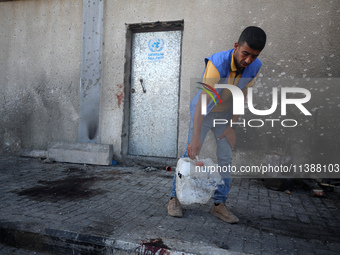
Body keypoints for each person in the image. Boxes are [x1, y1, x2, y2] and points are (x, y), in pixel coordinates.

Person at [168, 26, 267, 223]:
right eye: (245, 53)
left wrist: (231, 125)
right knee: (190, 154)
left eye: (253, 56)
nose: (248, 60)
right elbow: (203, 102)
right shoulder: (217, 63)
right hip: (203, 113)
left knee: (226, 157)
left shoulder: (255, 67)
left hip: (224, 116)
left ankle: (219, 205)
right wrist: (196, 137)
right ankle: (174, 199)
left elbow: (242, 96)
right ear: (236, 46)